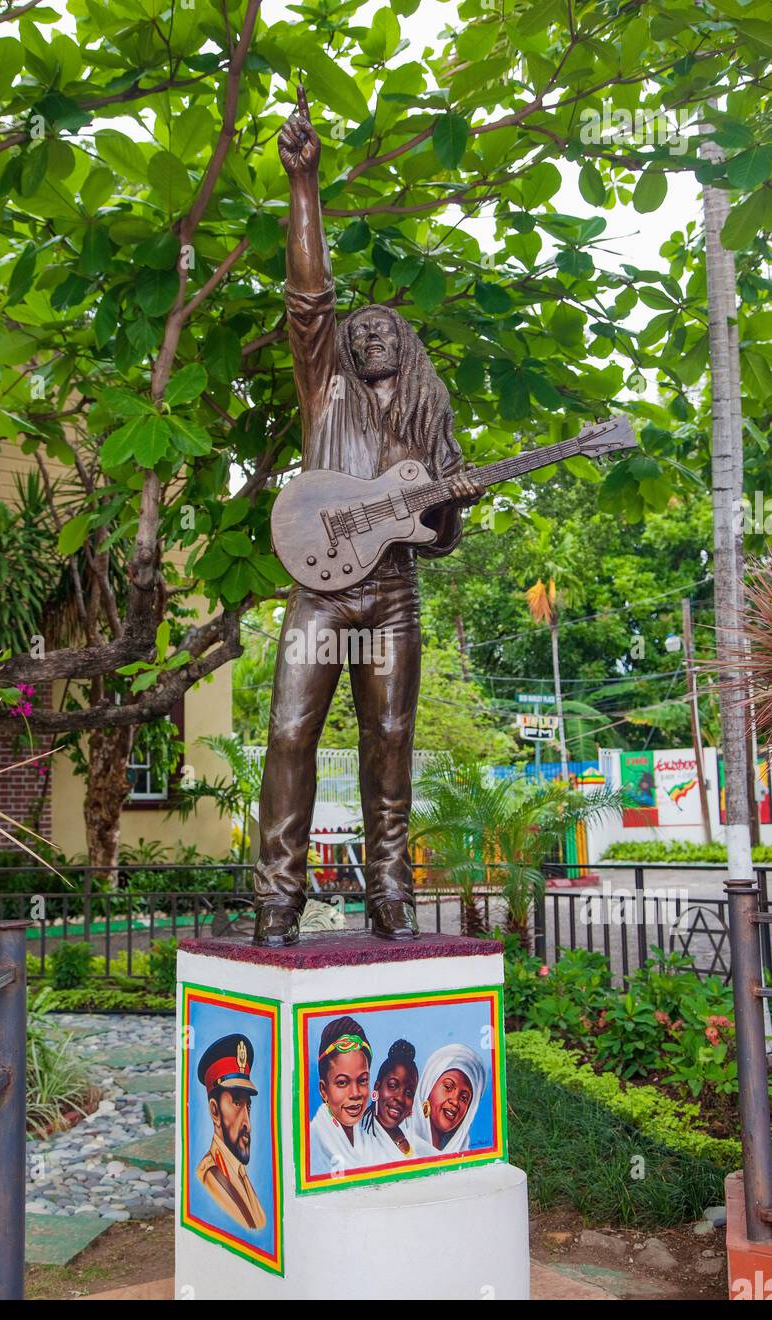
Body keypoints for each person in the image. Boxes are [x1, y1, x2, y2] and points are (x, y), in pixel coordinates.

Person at [252, 87, 477, 948]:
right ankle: (277, 899)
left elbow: (441, 540)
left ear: (408, 350)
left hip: (393, 597)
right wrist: (303, 186)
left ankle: (392, 896)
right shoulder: (326, 387)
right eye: (363, 327)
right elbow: (310, 296)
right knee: (287, 734)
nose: (372, 333)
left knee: (390, 742)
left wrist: (453, 507)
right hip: (320, 595)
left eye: (389, 329)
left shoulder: (428, 426)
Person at [195, 1033, 267, 1231]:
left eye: (248, 1106)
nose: (248, 1124)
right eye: (236, 1103)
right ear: (214, 1111)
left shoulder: (238, 1172)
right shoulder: (212, 1175)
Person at [309, 1015, 372, 1174]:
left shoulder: (369, 1134)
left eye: (363, 1080)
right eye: (342, 1083)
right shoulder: (313, 1143)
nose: (355, 1093)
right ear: (324, 1090)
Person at [407, 1043, 490, 1155]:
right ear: (428, 1087)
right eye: (448, 1087)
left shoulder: (463, 1153)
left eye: (464, 1097)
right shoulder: (401, 1144)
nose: (455, 1101)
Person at [359, 1038, 421, 1160]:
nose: (400, 1098)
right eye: (392, 1086)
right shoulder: (360, 1137)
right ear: (377, 1088)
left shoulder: (414, 1132)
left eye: (409, 1093)